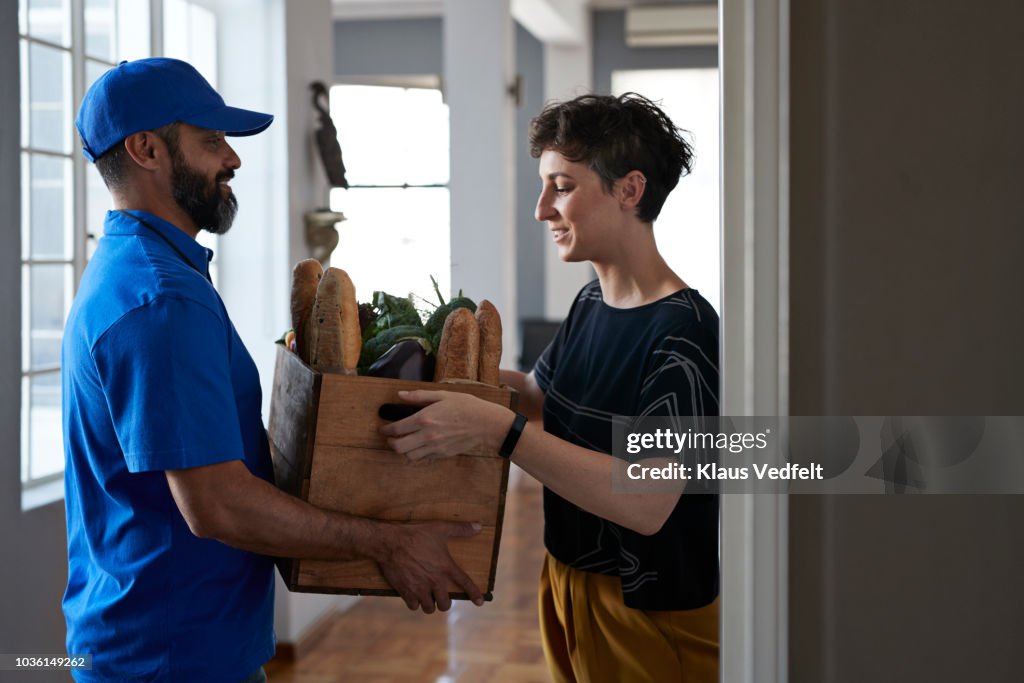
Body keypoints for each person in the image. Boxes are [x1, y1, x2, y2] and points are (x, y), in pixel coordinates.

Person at [63, 57, 483, 683]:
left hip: (158, 638)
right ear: (146, 149)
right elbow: (217, 506)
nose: (231, 159)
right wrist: (388, 542)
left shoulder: (134, 272)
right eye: (210, 141)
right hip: (172, 657)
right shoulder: (161, 300)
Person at [380, 93, 720, 682]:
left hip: (648, 612)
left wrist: (497, 431)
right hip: (567, 581)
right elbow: (541, 395)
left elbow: (646, 503)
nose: (542, 209)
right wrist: (438, 370)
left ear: (629, 190)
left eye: (561, 185)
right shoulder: (592, 299)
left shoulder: (685, 329)